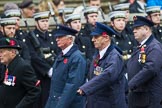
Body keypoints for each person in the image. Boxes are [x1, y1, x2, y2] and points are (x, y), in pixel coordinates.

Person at [77, 22, 127, 108]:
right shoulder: (97, 55)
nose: (93, 40)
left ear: (106, 38)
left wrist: (86, 88)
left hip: (110, 103)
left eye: (96, 37)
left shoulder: (114, 56)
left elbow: (108, 75)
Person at [45, 25, 87, 108]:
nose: (57, 39)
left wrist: (60, 106)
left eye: (60, 37)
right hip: (55, 101)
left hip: (69, 104)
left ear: (70, 39)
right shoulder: (62, 55)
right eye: (57, 37)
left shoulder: (76, 57)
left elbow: (72, 85)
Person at [25, 11, 59, 108]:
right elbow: (33, 56)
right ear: (36, 23)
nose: (45, 23)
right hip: (40, 75)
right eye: (42, 21)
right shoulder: (30, 37)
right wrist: (48, 70)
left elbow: (57, 52)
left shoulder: (52, 36)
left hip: (54, 73)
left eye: (47, 21)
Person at [127, 16, 162, 108]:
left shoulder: (154, 47)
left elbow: (151, 68)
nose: (134, 31)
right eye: (134, 29)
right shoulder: (142, 46)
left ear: (146, 29)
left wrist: (132, 83)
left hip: (149, 97)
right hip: (139, 96)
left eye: (137, 28)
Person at [0, 37, 41, 108]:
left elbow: (34, 91)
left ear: (12, 52)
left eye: (1, 52)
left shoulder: (23, 67)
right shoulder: (5, 65)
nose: (0, 55)